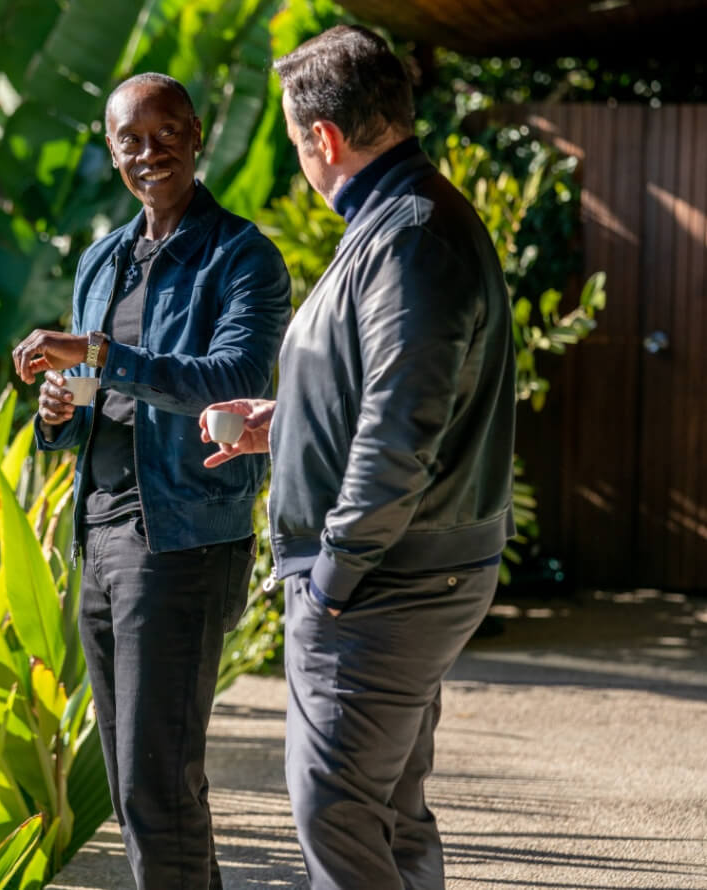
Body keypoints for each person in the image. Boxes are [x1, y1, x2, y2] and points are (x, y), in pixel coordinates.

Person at [200, 25, 516, 890]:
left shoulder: (409, 234)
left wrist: (334, 577)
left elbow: (400, 429)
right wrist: (289, 417)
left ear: (324, 139)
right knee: (387, 811)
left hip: (383, 581)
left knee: (335, 813)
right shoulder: (404, 217)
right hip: (408, 571)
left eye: (298, 143)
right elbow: (387, 387)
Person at [12, 72, 290, 890]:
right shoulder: (102, 260)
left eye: (165, 132)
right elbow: (94, 404)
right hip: (99, 532)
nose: (148, 152)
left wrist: (96, 355)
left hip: (182, 537)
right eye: (129, 139)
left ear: (197, 134)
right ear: (111, 151)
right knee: (139, 789)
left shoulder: (242, 256)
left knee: (156, 786)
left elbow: (229, 375)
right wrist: (60, 409)